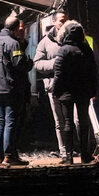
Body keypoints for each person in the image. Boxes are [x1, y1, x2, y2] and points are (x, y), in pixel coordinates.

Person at [0, 15, 34, 166]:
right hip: (11, 89)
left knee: (0, 121)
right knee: (10, 122)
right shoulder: (13, 43)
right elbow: (19, 64)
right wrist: (29, 62)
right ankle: (10, 155)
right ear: (15, 29)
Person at [52, 19, 98, 163]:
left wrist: (56, 90)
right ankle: (85, 154)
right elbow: (93, 71)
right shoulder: (86, 49)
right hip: (83, 92)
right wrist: (93, 90)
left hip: (67, 92)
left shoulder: (63, 50)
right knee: (83, 122)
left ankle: (69, 157)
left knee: (67, 123)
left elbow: (58, 73)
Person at [33, 10, 68, 154]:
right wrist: (55, 63)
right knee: (60, 121)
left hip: (72, 85)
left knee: (76, 119)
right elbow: (37, 64)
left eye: (66, 20)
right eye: (61, 20)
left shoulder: (74, 38)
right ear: (54, 22)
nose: (64, 23)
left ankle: (78, 148)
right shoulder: (45, 42)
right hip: (53, 87)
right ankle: (64, 150)